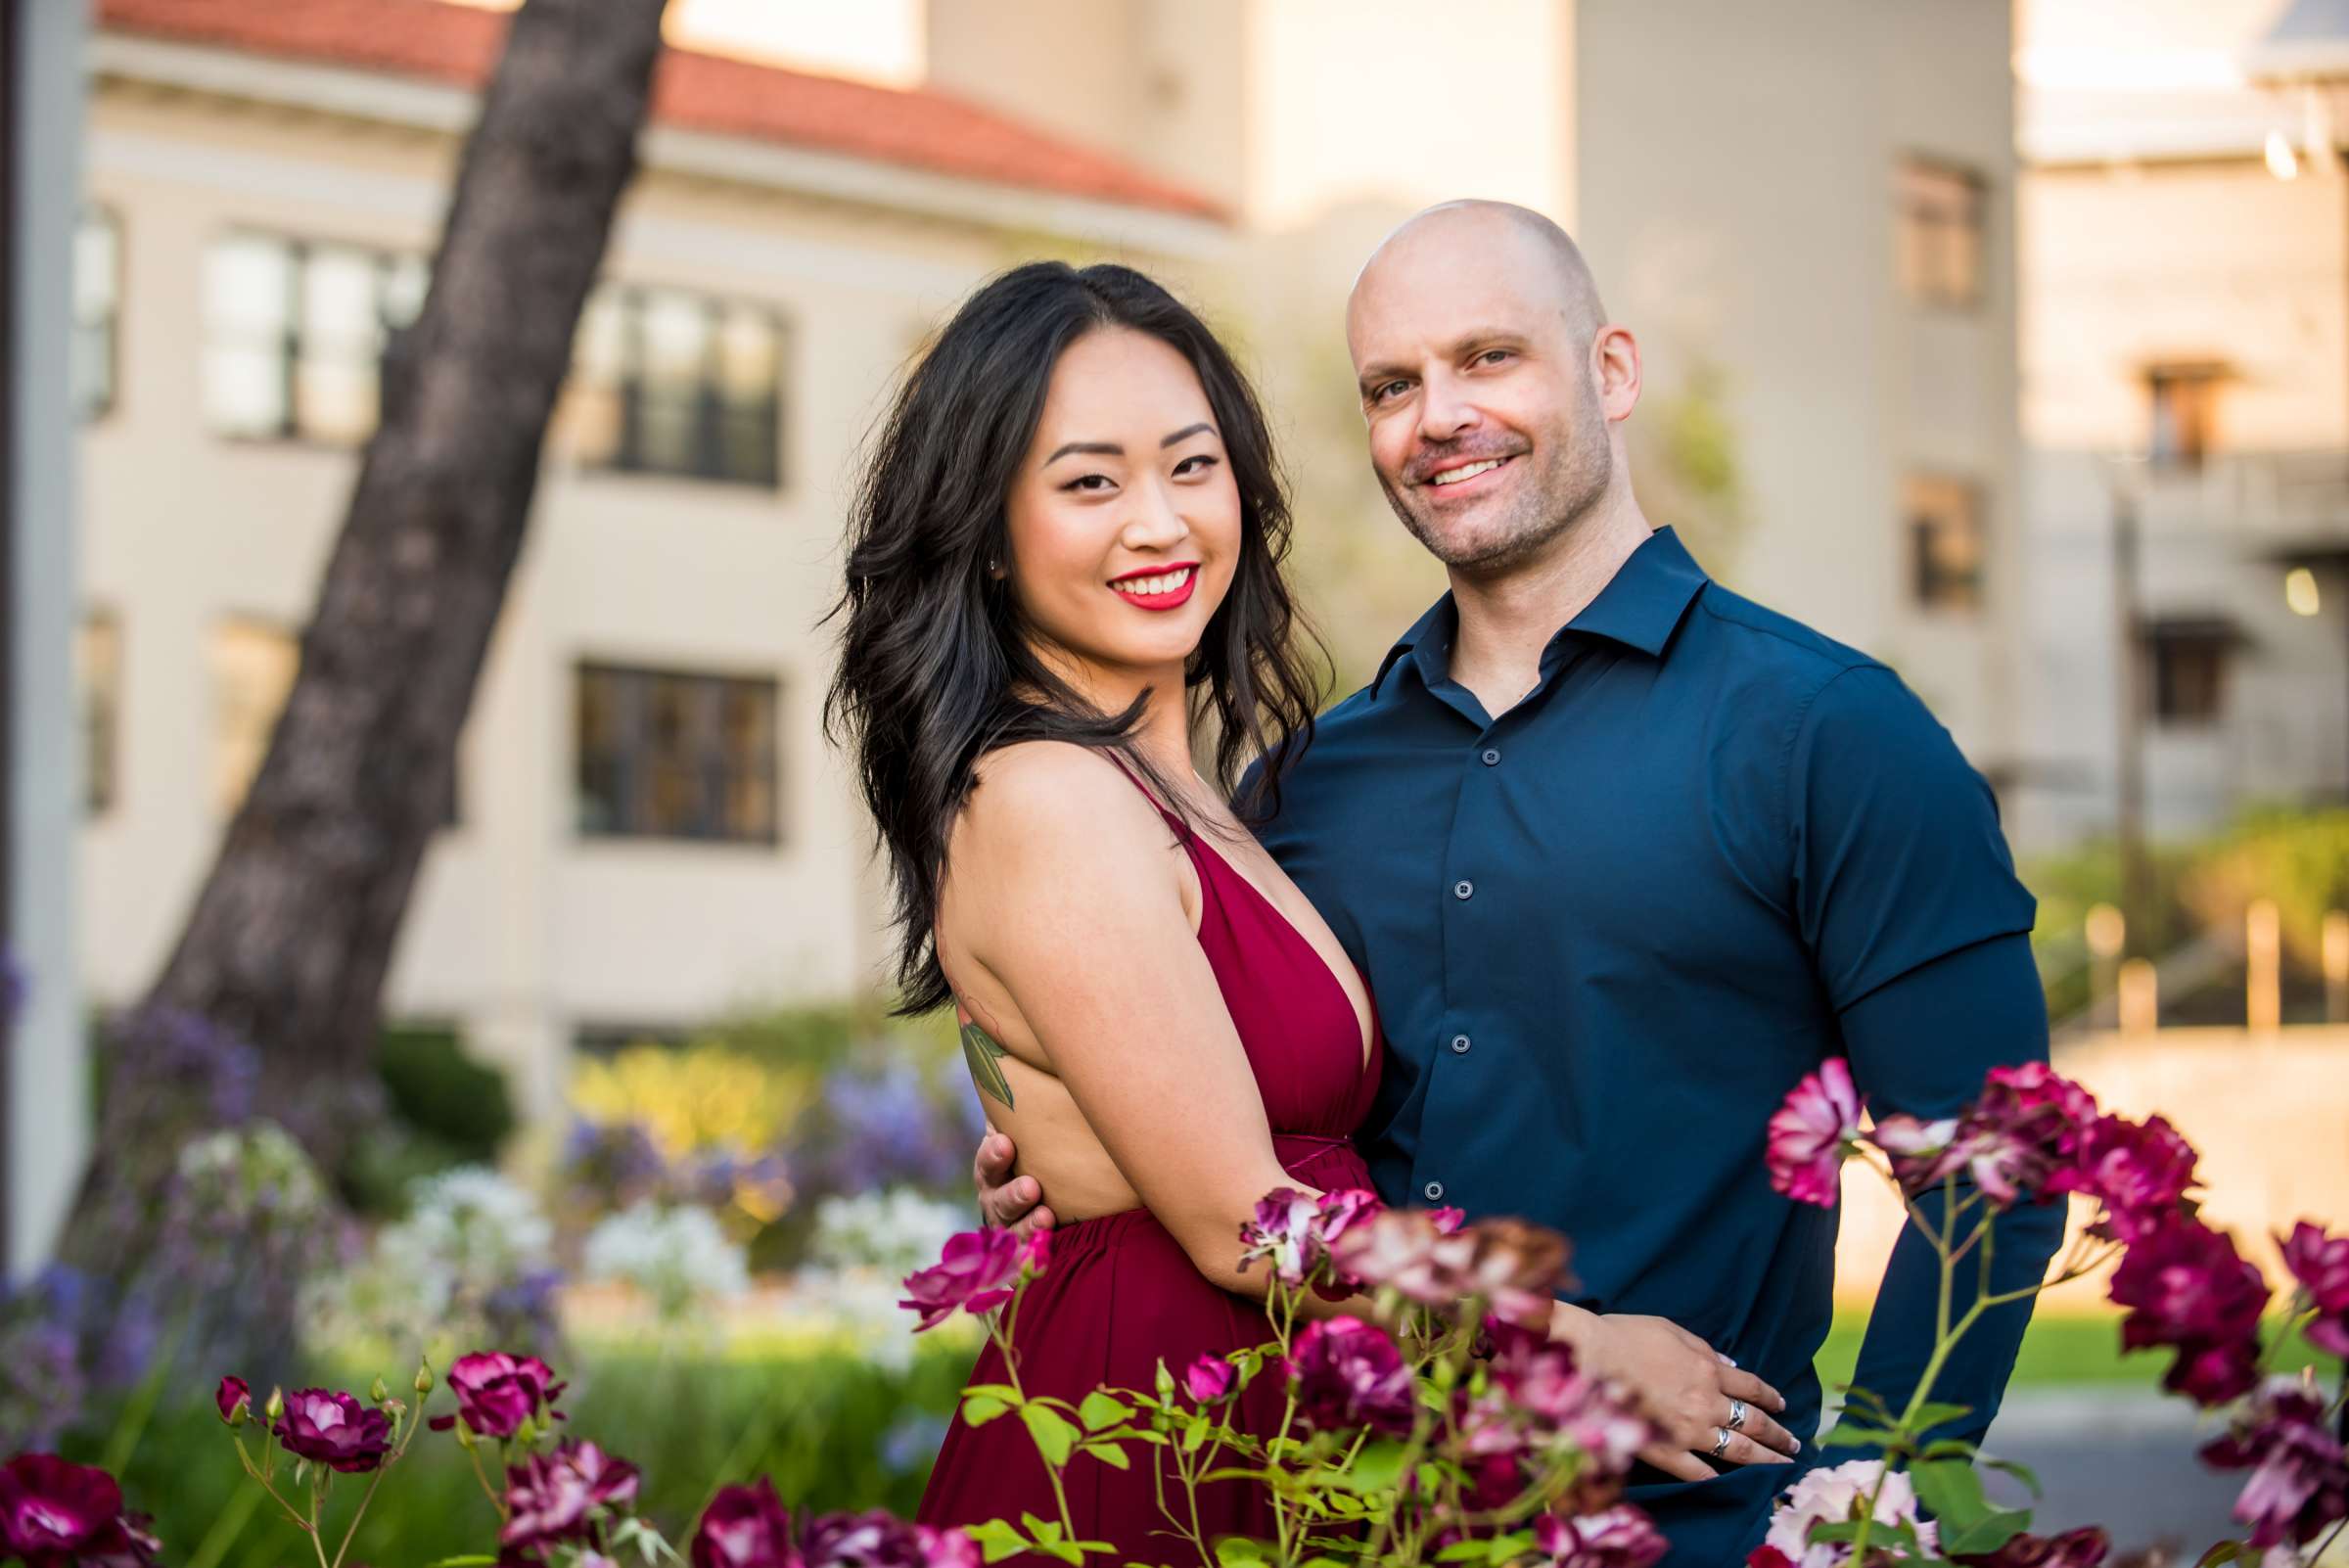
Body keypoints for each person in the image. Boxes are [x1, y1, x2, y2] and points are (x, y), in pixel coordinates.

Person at [975, 201, 2065, 1565]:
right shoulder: (1299, 788)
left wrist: (1858, 1523)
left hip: (1689, 1527)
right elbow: (1240, 1159)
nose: (1439, 415)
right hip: (1332, 1518)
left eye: (1491, 357)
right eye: (1392, 385)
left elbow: (1999, 1175)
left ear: (1610, 372)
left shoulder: (1832, 734)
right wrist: (1082, 1154)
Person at [828, 258, 1488, 1550]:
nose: (1161, 521)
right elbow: (1248, 1224)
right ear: (991, 532)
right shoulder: (1048, 796)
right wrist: (1564, 1339)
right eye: (1089, 481)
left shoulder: (1201, 798)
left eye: (1191, 466)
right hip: (1149, 1444)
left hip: (1262, 1416)